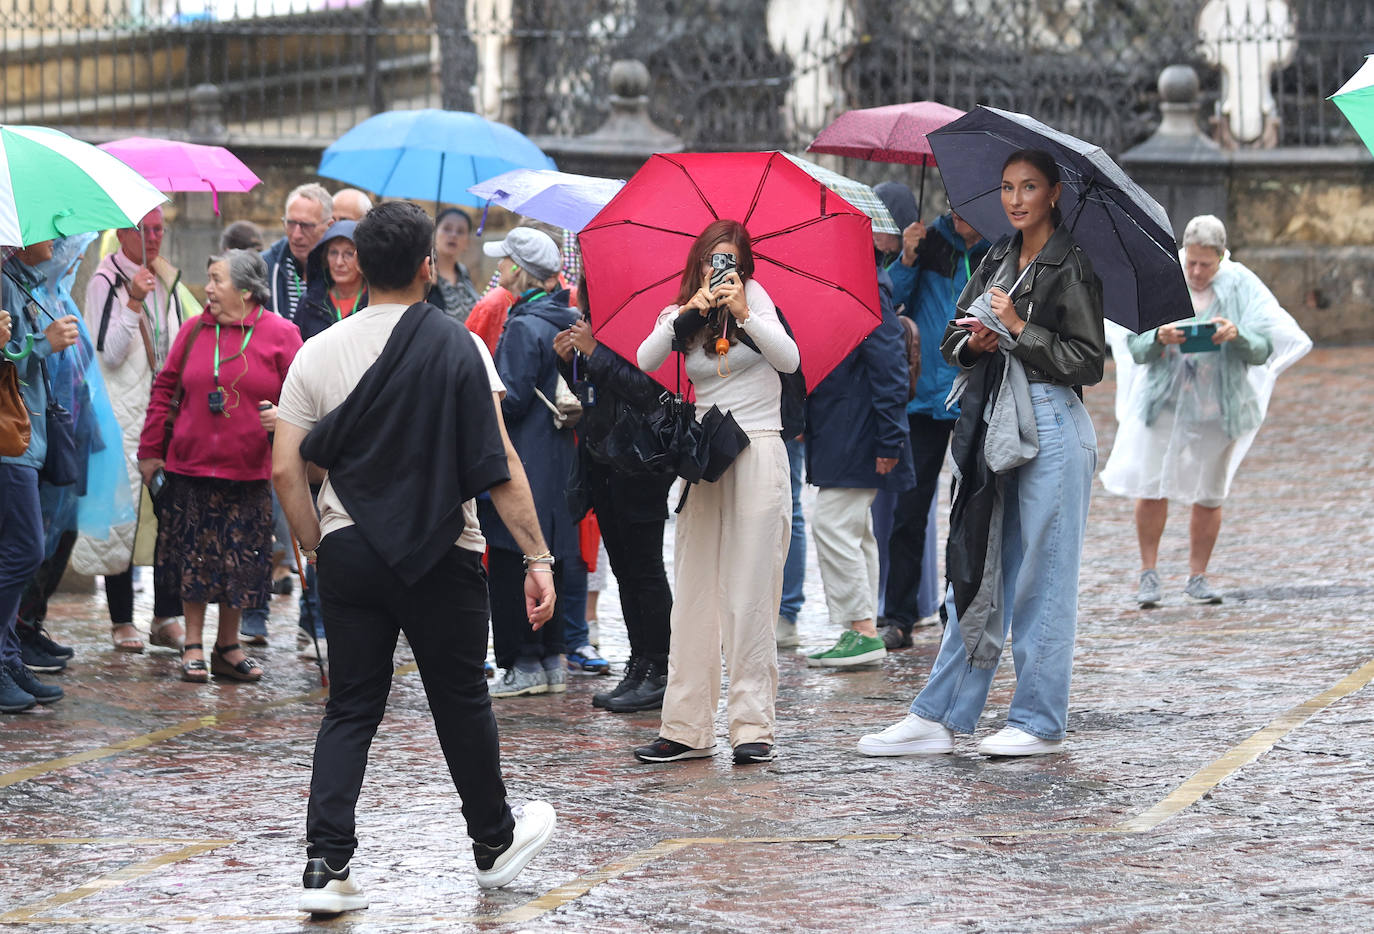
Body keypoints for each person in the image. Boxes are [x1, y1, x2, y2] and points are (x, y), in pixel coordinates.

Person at [272, 201, 556, 911]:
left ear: (359, 266)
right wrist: (537, 554)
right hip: (442, 551)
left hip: (350, 549)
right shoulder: (461, 345)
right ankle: (492, 844)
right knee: (460, 701)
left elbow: (284, 468)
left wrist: (314, 541)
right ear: (428, 266)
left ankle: (325, 868)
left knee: (350, 709)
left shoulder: (318, 350)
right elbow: (500, 464)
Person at [859, 148, 1104, 758]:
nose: (1015, 199)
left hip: (1053, 423)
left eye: (1028, 187)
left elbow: (1088, 361)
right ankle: (938, 715)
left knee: (1042, 580)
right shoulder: (997, 254)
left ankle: (1040, 722)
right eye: (1006, 188)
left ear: (1053, 194)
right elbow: (949, 343)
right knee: (978, 568)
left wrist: (1020, 330)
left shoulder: (1070, 264)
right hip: (997, 418)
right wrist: (979, 341)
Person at [634, 219, 799, 765]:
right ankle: (685, 727)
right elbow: (646, 358)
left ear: (745, 263)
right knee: (696, 591)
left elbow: (789, 360)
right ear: (697, 263)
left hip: (758, 448)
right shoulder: (684, 311)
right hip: (705, 461)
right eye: (710, 258)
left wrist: (746, 312)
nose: (719, 268)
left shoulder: (760, 300)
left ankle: (752, 727)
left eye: (728, 259)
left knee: (751, 593)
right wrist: (692, 310)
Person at [1101, 214, 1311, 607]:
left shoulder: (1242, 284)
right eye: (1191, 262)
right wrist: (1159, 336)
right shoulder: (1164, 278)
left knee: (1211, 492)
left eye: (1205, 264)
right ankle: (1149, 572)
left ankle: (1198, 575)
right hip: (1164, 399)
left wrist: (1238, 334)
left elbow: (1265, 349)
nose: (1196, 272)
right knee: (1152, 484)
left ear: (1221, 257)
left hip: (1219, 405)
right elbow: (1134, 348)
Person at [137, 250, 302, 683]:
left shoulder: (282, 335)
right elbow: (164, 390)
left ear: (245, 290)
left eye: (216, 280)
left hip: (249, 471)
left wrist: (282, 416)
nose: (207, 288)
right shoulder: (193, 332)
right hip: (189, 469)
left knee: (239, 562)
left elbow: (304, 401)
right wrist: (150, 450)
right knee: (192, 557)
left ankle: (227, 646)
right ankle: (192, 643)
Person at [74, 207, 193, 655]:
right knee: (120, 513)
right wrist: (134, 303)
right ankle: (121, 619)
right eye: (147, 230)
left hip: (164, 417)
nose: (155, 237)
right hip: (121, 415)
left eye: (161, 229)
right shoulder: (107, 279)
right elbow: (107, 352)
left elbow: (178, 342)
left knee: (171, 513)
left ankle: (166, 614)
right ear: (124, 232)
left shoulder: (167, 277)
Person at [555, 278, 676, 710]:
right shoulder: (597, 324)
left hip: (641, 463)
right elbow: (590, 395)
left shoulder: (655, 319)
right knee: (624, 569)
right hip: (603, 460)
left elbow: (649, 390)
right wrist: (566, 360)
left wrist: (594, 352)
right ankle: (638, 665)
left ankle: (660, 668)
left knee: (645, 569)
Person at [878, 198, 992, 650]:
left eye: (966, 208)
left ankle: (957, 607)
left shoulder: (998, 249)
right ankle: (899, 615)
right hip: (925, 398)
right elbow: (892, 297)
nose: (957, 216)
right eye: (952, 207)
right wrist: (906, 257)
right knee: (909, 510)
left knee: (967, 510)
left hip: (971, 394)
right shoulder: (926, 243)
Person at [477, 228, 580, 698]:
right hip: (558, 459)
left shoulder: (523, 325)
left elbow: (511, 401)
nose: (499, 271)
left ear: (520, 269)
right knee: (550, 556)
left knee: (509, 556)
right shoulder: (566, 317)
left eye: (504, 263)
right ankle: (552, 657)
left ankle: (522, 662)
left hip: (523, 458)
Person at [802, 265, 915, 668]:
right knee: (854, 529)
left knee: (833, 524)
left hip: (860, 433)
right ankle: (859, 629)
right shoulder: (841, 284)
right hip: (843, 429)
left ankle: (864, 630)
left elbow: (890, 366)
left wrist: (890, 438)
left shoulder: (866, 287)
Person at [1, 240, 81, 711]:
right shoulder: (6, 282)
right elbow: (8, 360)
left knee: (21, 549)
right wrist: (42, 344)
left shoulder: (24, 282)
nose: (55, 242)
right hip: (11, 440)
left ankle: (8, 657)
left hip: (28, 440)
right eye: (48, 232)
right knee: (24, 549)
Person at [262, 183, 333, 327]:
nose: (296, 235)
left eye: (306, 226)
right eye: (291, 223)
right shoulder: (264, 267)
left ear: (329, 226)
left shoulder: (341, 269)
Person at [427, 207, 481, 323]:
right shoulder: (424, 272)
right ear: (434, 233)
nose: (453, 235)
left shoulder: (464, 272)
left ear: (467, 242)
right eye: (447, 229)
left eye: (460, 231)